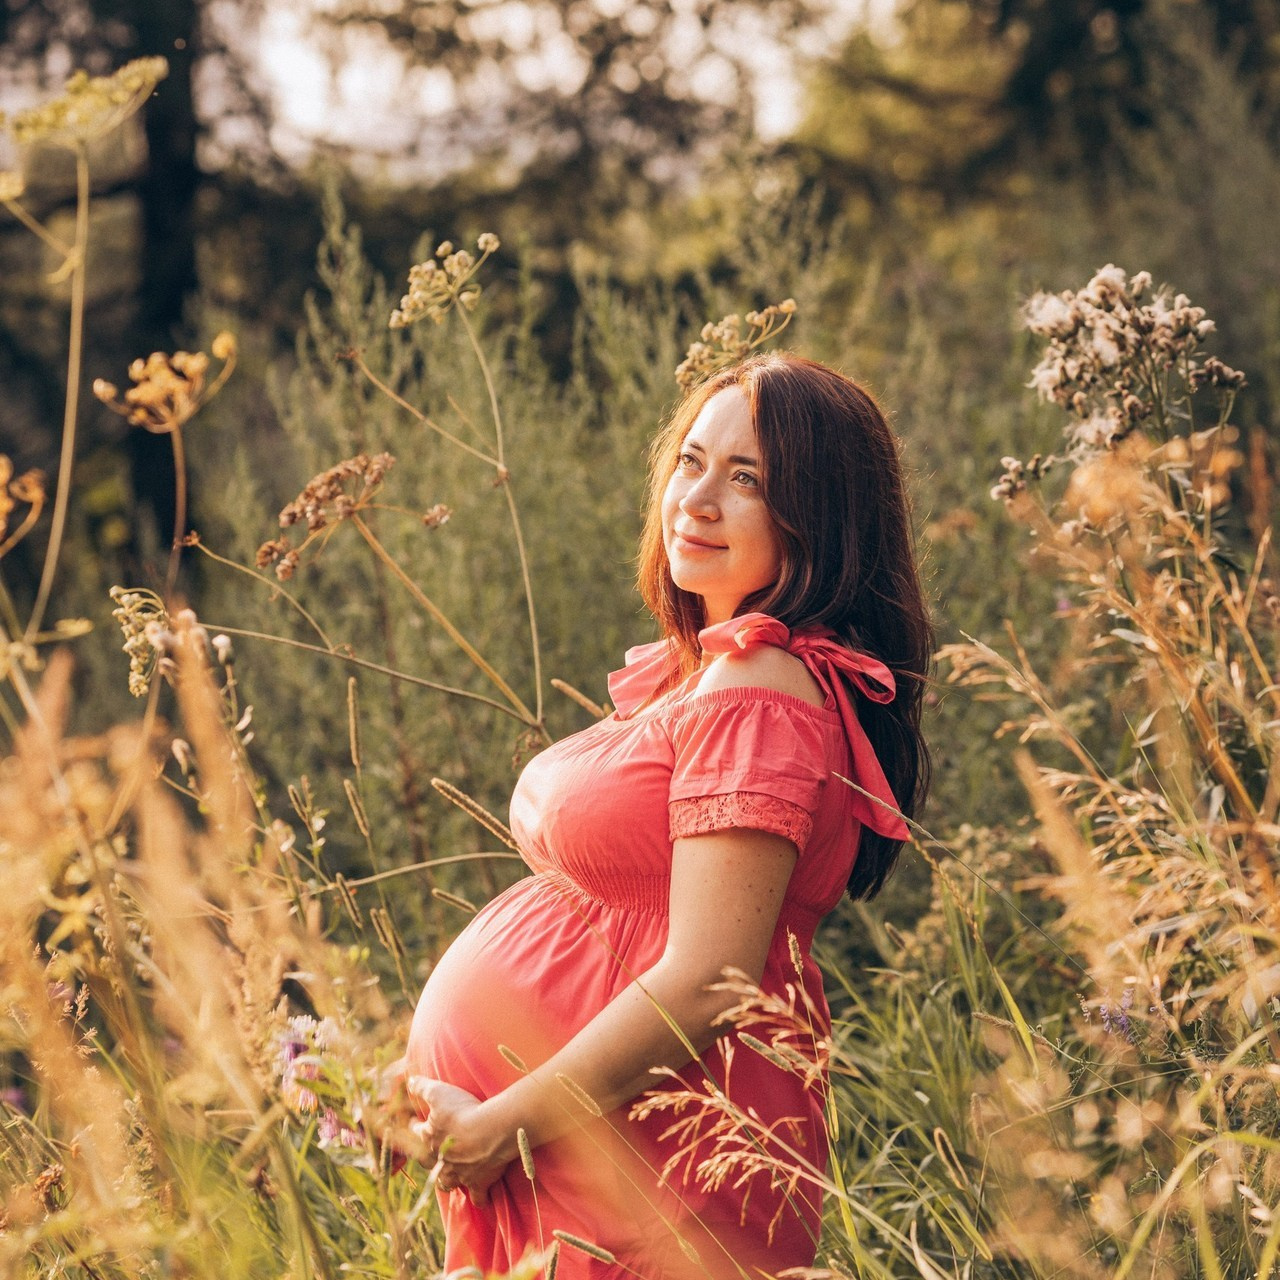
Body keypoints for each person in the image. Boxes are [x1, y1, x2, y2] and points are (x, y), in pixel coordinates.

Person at [400, 353, 932, 1278]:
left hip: (642, 1163)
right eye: (690, 462)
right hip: (585, 1145)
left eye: (749, 480)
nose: (698, 500)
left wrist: (499, 1126)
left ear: (827, 516)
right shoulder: (708, 674)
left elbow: (705, 979)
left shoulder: (764, 684)